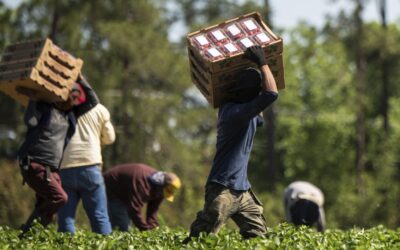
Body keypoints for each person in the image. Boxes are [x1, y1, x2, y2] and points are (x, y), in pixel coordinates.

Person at [183, 45, 279, 242]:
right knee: (202, 239)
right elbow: (271, 94)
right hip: (222, 188)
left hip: (242, 190)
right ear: (251, 92)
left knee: (259, 237)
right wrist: (262, 62)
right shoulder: (233, 113)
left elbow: (262, 106)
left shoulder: (247, 112)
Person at [57, 75, 115, 235]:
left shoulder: (60, 110)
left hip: (65, 168)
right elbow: (110, 138)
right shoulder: (99, 109)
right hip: (90, 166)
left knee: (66, 218)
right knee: (99, 216)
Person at [17, 90, 76, 237]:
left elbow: (91, 101)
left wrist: (80, 78)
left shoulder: (69, 117)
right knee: (60, 198)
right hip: (35, 165)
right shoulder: (46, 108)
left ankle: (29, 239)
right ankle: (26, 235)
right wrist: (32, 100)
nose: (74, 99)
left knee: (46, 211)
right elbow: (29, 122)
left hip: (53, 171)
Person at [103, 163, 181, 231]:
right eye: (165, 191)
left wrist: (152, 228)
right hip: (111, 187)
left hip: (125, 194)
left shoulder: (160, 189)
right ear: (161, 184)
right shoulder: (142, 183)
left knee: (124, 225)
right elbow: (133, 209)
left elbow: (153, 211)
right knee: (122, 227)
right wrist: (144, 229)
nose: (163, 195)